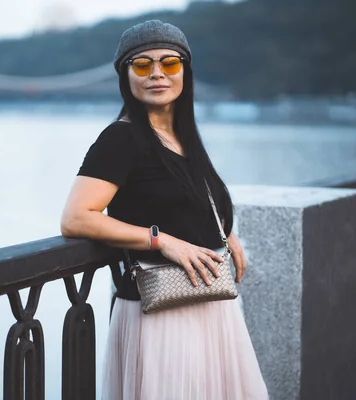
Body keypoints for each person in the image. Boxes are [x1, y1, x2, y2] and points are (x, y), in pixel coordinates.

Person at [60, 20, 268, 400]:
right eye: (142, 65)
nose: (157, 73)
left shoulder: (182, 136)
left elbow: (183, 199)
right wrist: (160, 241)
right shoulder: (120, 138)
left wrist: (226, 231)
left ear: (185, 71)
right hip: (160, 314)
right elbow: (76, 218)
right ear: (126, 75)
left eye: (170, 63)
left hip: (209, 306)